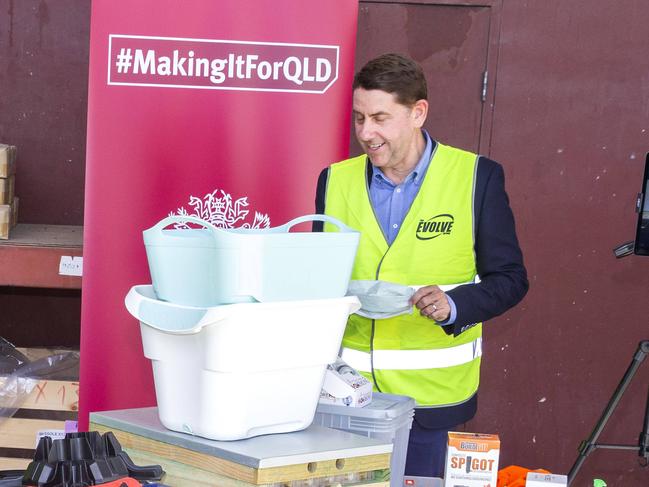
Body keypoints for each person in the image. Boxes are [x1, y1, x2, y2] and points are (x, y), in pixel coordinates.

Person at [314, 53, 528, 478]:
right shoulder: (332, 180)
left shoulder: (476, 178)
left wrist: (454, 305)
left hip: (433, 407)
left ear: (418, 113)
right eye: (358, 118)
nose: (366, 133)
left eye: (379, 118)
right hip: (345, 402)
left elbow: (511, 279)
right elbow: (318, 281)